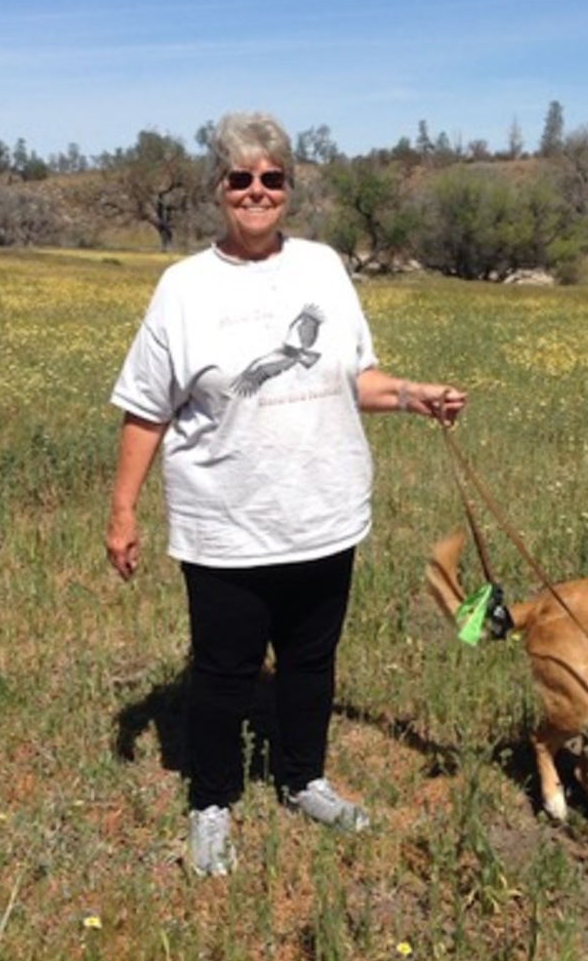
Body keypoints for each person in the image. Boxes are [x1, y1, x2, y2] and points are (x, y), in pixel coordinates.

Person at [106, 111, 466, 876]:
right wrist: (123, 511)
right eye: (241, 178)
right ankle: (212, 802)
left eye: (272, 178)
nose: (257, 191)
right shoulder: (183, 288)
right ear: (217, 189)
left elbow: (353, 377)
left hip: (325, 513)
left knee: (311, 663)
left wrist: (414, 394)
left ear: (289, 188)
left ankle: (305, 780)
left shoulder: (324, 268)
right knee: (223, 672)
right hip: (226, 523)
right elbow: (147, 408)